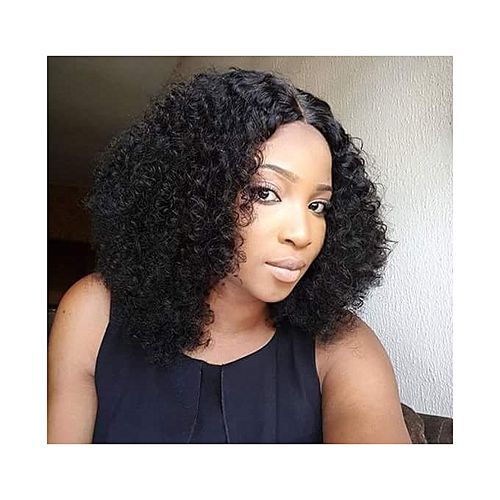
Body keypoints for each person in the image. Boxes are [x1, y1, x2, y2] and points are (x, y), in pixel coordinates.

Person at [47, 68, 411, 444]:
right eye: (265, 193)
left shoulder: (343, 348)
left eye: (318, 206)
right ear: (196, 192)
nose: (302, 234)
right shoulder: (93, 314)